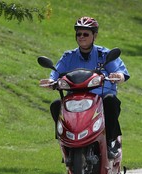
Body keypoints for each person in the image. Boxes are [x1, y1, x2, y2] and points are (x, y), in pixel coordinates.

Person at [40, 16, 130, 159]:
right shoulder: (68, 57)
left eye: (85, 34)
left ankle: (110, 141)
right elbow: (55, 73)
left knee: (111, 101)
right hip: (75, 98)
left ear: (95, 36)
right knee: (56, 105)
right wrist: (51, 81)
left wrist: (118, 76)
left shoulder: (104, 54)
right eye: (78, 34)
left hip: (99, 98)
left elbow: (121, 72)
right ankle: (66, 145)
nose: (81, 37)